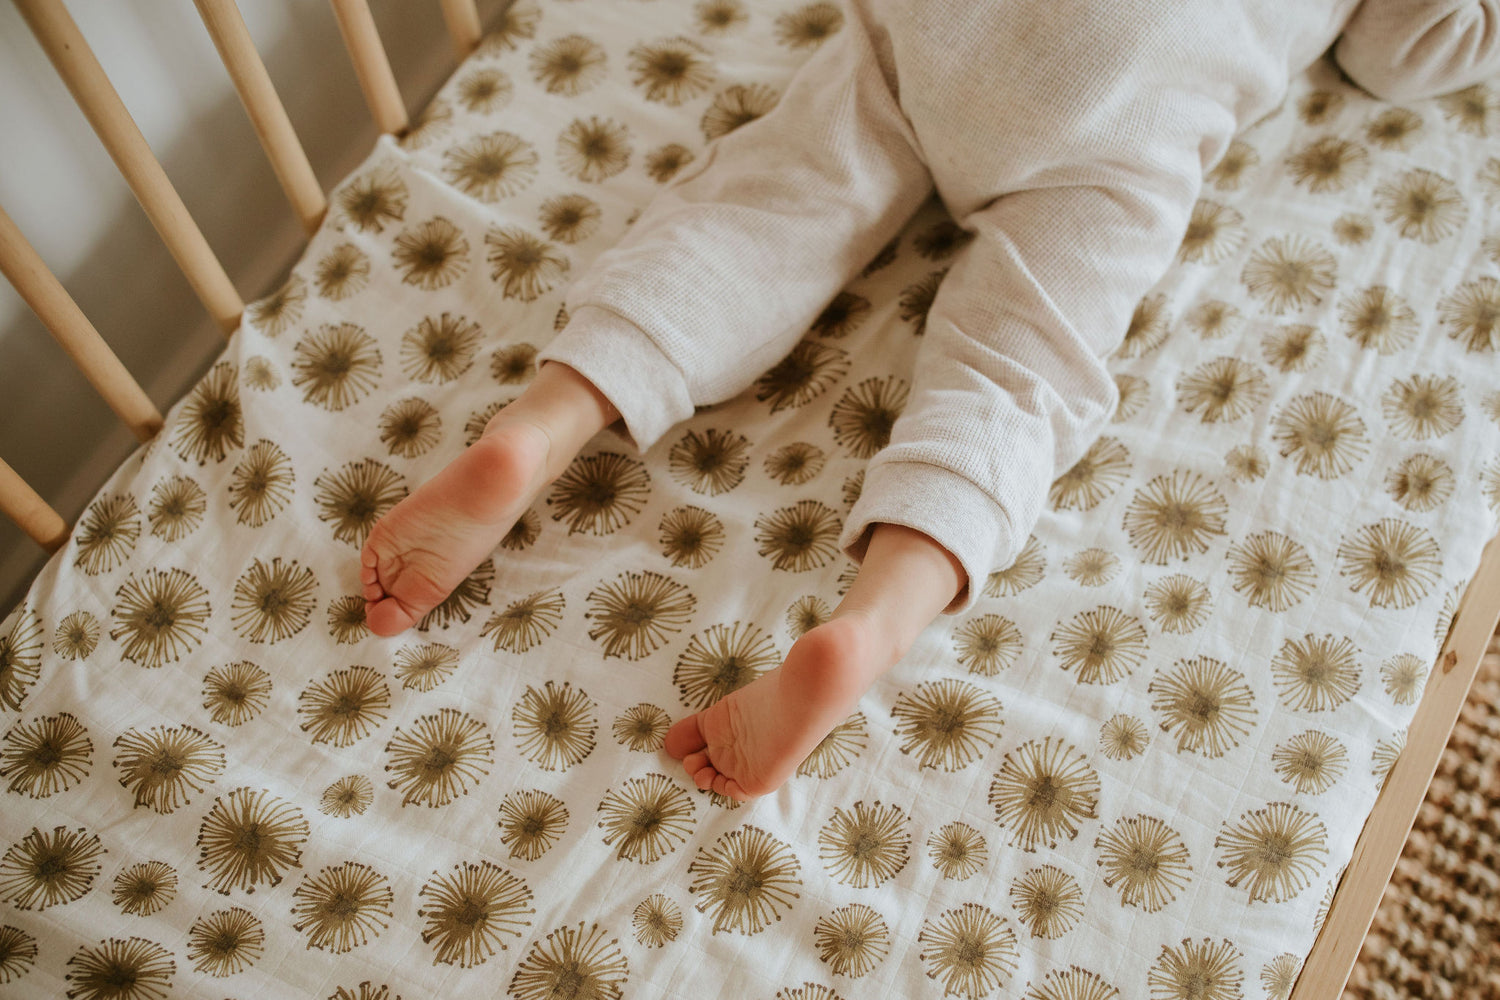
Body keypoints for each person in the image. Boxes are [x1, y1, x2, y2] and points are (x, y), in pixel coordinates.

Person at [361, 0, 1500, 801]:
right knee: (1022, 358)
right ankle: (873, 619)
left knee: (773, 202)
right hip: (1139, 91)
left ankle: (540, 427)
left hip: (950, 20)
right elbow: (1403, 53)